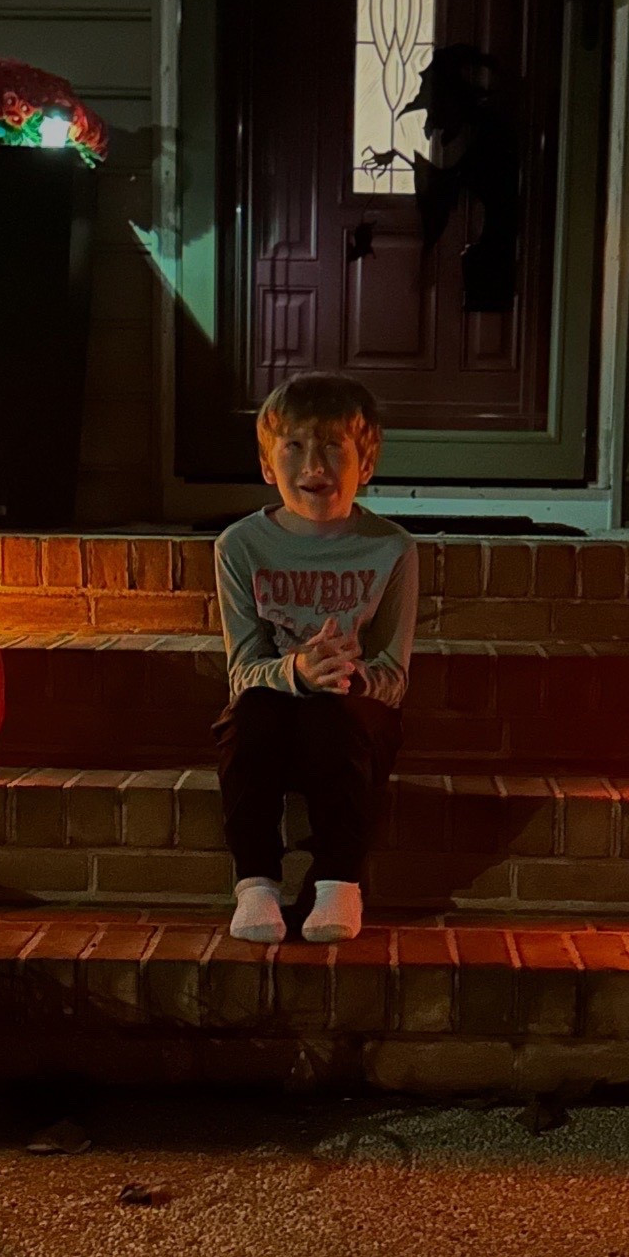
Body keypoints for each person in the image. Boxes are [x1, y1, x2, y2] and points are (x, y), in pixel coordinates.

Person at [213, 373, 418, 944]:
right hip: (273, 715)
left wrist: (342, 676)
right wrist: (298, 672)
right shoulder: (239, 546)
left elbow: (394, 678)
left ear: (366, 463)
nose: (314, 463)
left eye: (333, 446)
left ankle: (338, 882)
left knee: (338, 715)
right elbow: (243, 670)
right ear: (267, 464)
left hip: (352, 719)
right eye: (295, 446)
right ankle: (255, 882)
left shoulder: (392, 548)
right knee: (247, 715)